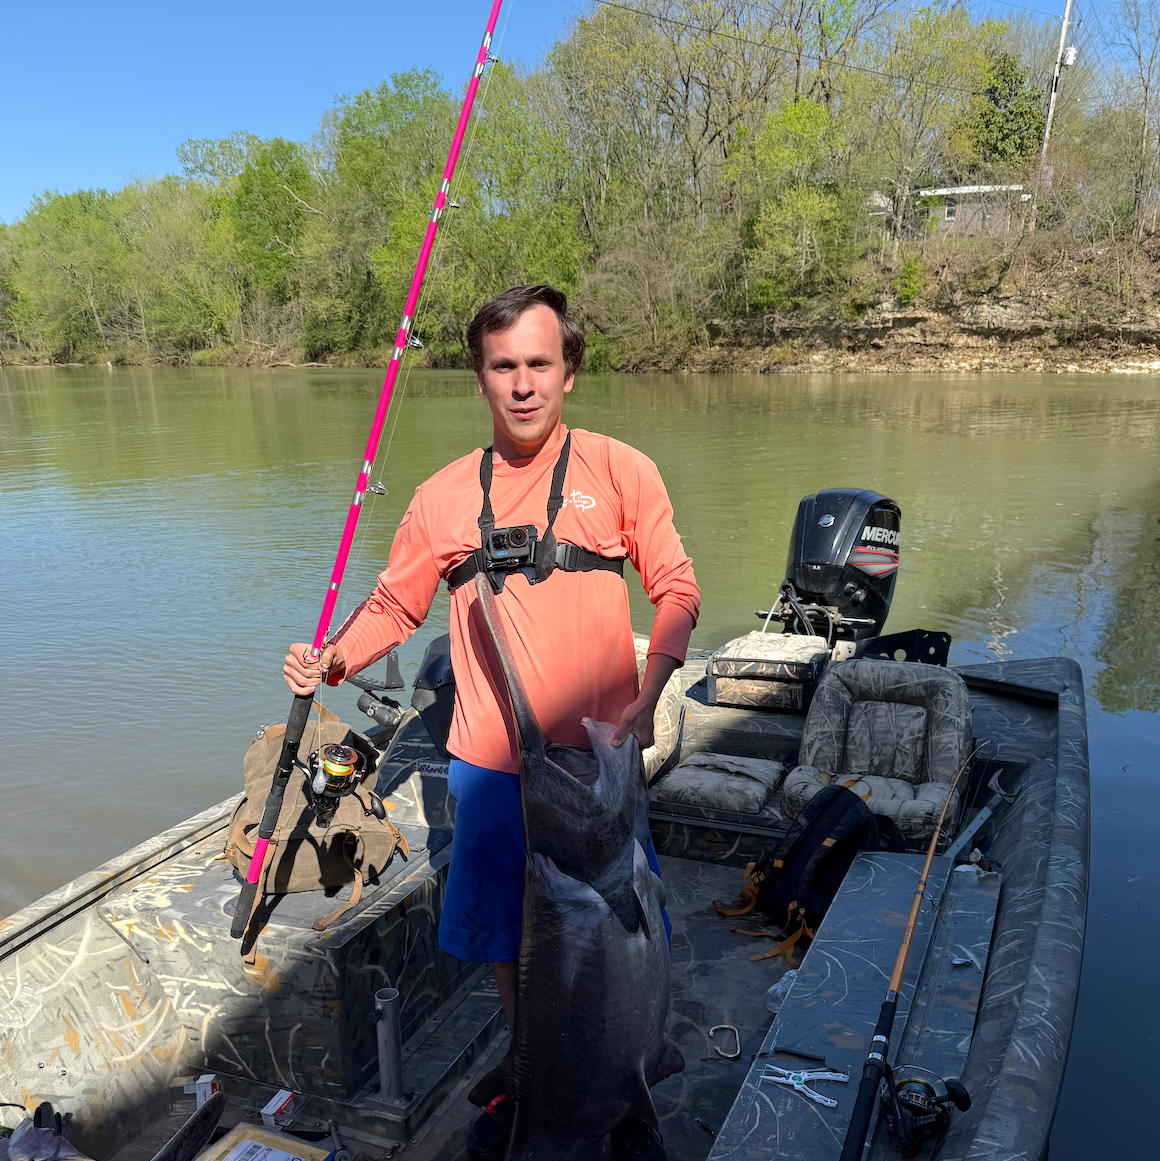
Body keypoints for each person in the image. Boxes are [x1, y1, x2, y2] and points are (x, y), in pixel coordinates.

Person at [284, 284, 699, 1159]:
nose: (522, 384)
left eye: (539, 364)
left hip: (595, 762)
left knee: (629, 925)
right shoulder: (442, 497)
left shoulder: (622, 470)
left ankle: (624, 1075)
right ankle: (533, 1073)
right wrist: (329, 661)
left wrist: (648, 692)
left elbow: (677, 590)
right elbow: (394, 605)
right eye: (502, 366)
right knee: (514, 941)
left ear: (569, 371)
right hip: (488, 767)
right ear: (479, 376)